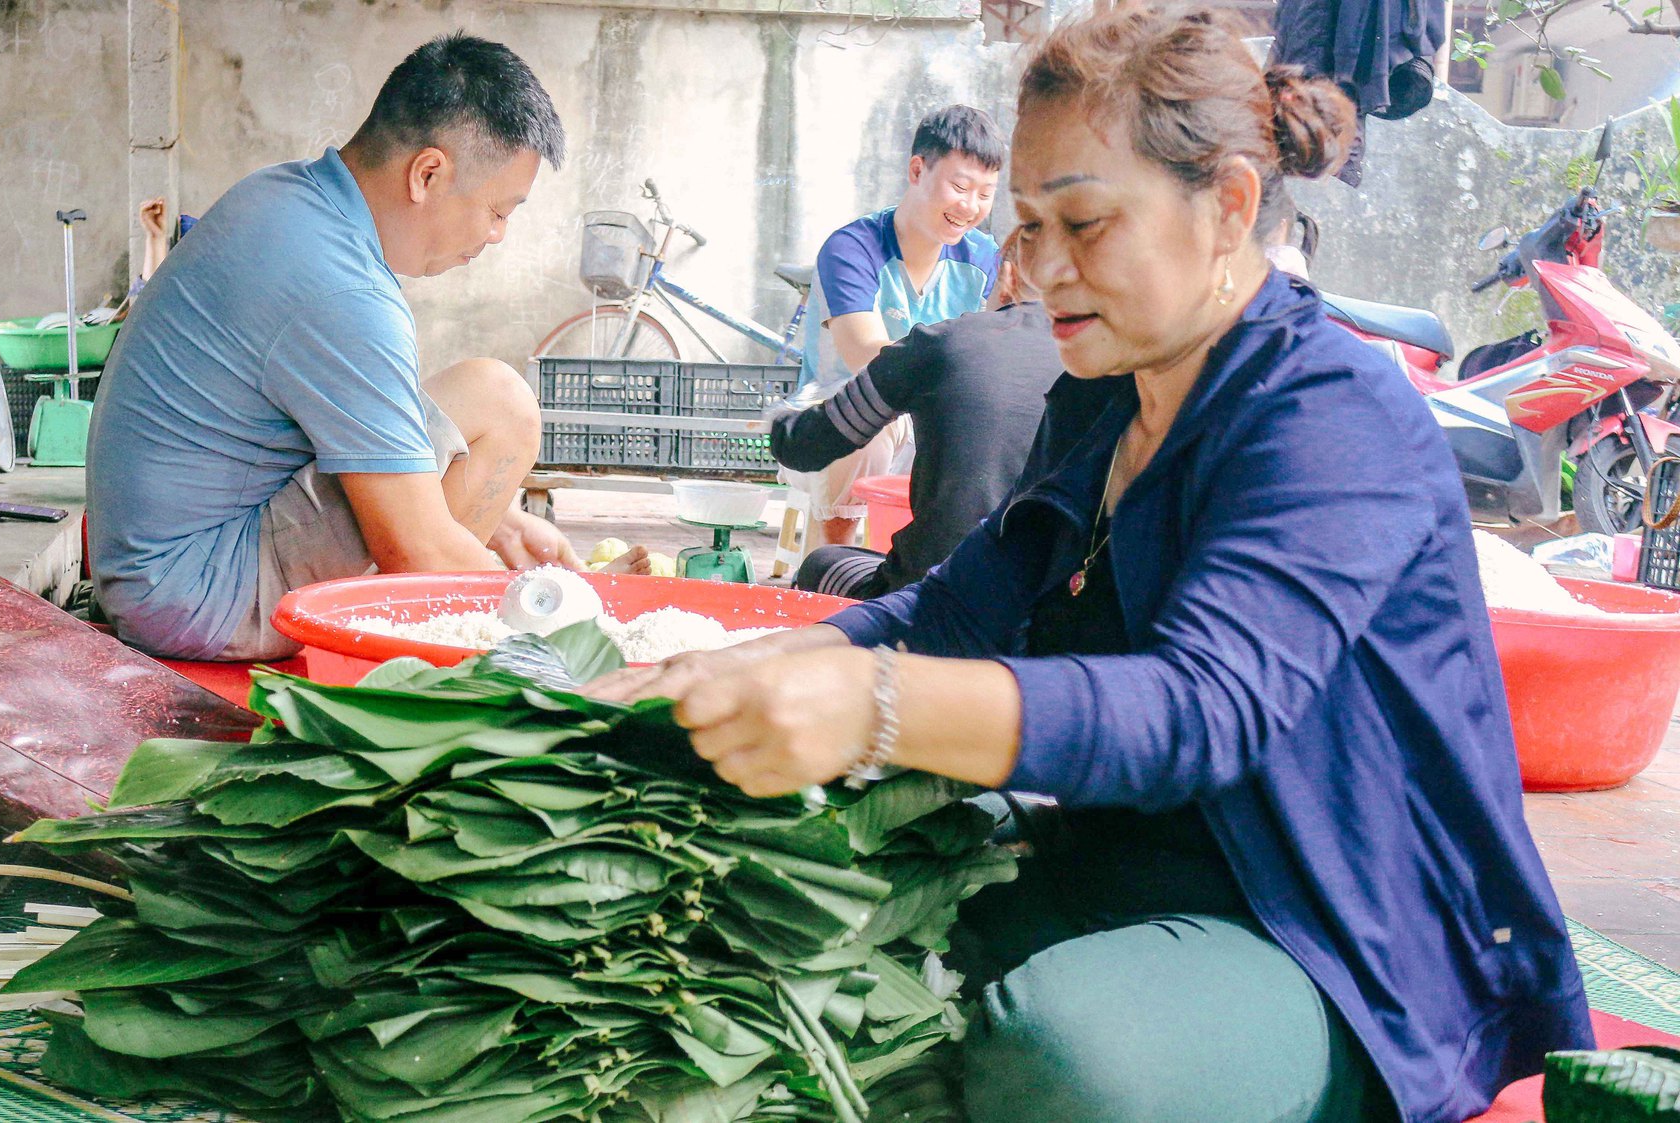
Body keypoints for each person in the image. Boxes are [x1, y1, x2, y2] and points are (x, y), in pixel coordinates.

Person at [596, 9, 1591, 1122]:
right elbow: (954, 610)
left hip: (1328, 935)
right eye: (1027, 226)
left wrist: (869, 705)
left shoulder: (1327, 414)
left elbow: (1199, 708)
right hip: (1119, 864)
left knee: (1058, 1053)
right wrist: (750, 658)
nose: (1039, 269)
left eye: (1084, 223)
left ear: (1227, 205)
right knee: (765, 894)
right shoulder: (1102, 398)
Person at [88, 35, 640, 663]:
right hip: (199, 600)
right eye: (496, 210)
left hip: (154, 574)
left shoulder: (286, 200)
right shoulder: (342, 290)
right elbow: (419, 550)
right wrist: (578, 619)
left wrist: (508, 526)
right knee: (500, 403)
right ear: (427, 173)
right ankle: (443, 648)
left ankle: (460, 614)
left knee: (480, 411)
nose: (496, 235)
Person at [773, 237, 1058, 600]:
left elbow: (806, 446)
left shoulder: (941, 343)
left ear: (1007, 275)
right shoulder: (1112, 367)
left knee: (822, 564)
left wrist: (775, 422)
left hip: (934, 595)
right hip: (1051, 604)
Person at [788, 105, 1003, 548]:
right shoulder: (852, 249)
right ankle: (833, 561)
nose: (971, 207)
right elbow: (865, 356)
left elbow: (998, 356)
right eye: (960, 187)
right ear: (917, 169)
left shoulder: (983, 259)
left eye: (986, 194)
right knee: (872, 422)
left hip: (932, 418)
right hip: (832, 424)